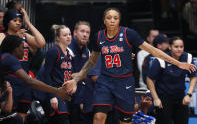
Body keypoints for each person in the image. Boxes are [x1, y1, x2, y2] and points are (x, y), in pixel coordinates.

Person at [64, 8, 196, 124]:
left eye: (115, 18)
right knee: (98, 116)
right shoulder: (98, 36)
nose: (112, 20)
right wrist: (75, 80)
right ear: (104, 20)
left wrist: (178, 63)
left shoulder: (128, 34)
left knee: (125, 120)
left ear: (119, 20)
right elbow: (91, 62)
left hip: (124, 82)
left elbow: (153, 50)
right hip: (105, 81)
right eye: (109, 18)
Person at [0, 8, 46, 121]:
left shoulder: (23, 35)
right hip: (10, 80)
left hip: (24, 81)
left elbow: (41, 42)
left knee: (23, 114)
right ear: (7, 22)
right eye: (14, 20)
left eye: (20, 21)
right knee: (8, 113)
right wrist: (15, 38)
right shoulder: (2, 35)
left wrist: (28, 23)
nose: (18, 23)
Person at [0, 35, 69, 102]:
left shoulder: (5, 57)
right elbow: (30, 81)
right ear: (15, 48)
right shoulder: (10, 58)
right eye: (22, 47)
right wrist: (56, 91)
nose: (25, 51)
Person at [146, 37, 197, 124]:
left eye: (181, 46)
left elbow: (193, 77)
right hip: (163, 99)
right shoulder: (160, 59)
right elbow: (150, 79)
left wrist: (189, 94)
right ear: (170, 47)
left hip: (180, 97)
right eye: (176, 47)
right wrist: (155, 98)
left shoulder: (188, 57)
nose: (179, 49)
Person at [35, 25, 72, 124]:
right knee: (63, 120)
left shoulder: (69, 53)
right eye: (65, 35)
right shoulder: (53, 51)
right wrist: (52, 96)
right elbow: (46, 75)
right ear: (57, 38)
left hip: (64, 93)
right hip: (54, 91)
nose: (68, 37)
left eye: (69, 34)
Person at [68, 21, 91, 124]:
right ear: (75, 33)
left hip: (81, 95)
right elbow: (70, 75)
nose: (85, 34)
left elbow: (89, 76)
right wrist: (85, 75)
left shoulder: (88, 52)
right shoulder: (67, 49)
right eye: (82, 31)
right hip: (65, 94)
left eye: (87, 32)